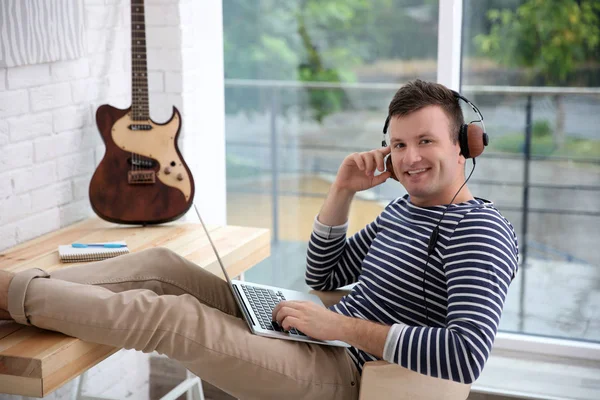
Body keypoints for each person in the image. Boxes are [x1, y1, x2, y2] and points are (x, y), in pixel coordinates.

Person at [0, 79, 518, 400]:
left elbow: (465, 354)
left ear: (465, 145)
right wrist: (342, 190)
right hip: (324, 337)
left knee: (168, 315)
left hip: (352, 377)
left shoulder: (480, 232)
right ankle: (24, 292)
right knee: (163, 265)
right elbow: (326, 275)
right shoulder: (405, 208)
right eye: (399, 144)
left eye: (425, 141)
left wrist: (339, 324)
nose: (409, 158)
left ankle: (8, 292)